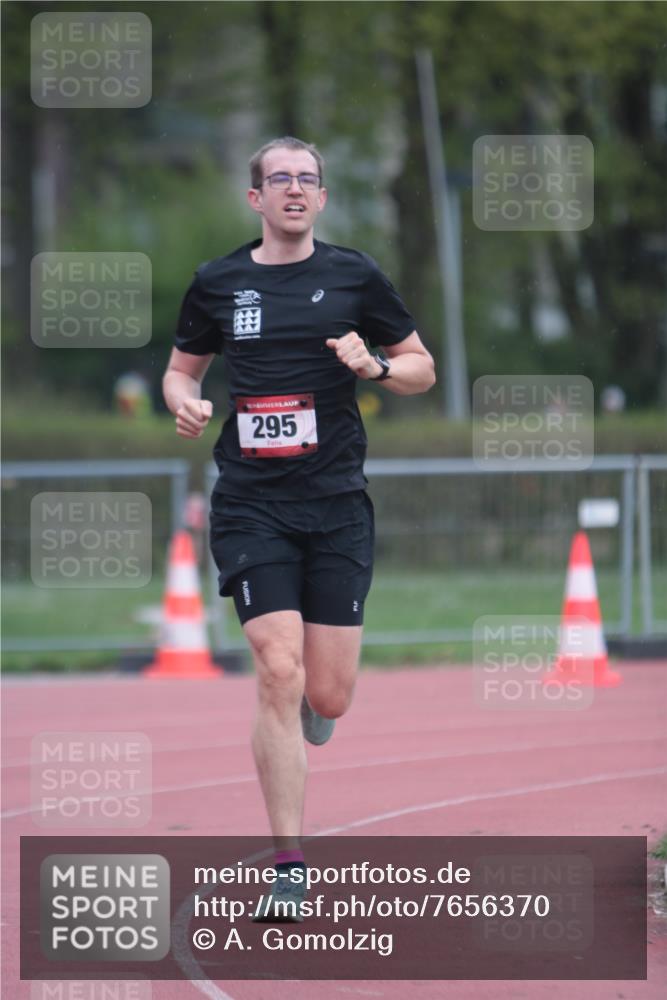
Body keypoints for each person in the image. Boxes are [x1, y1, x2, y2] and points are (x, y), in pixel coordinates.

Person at [163, 137, 435, 920]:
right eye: (278, 179)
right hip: (252, 502)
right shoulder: (218, 281)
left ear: (321, 198)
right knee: (275, 669)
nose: (292, 189)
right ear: (255, 198)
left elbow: (420, 366)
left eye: (306, 179)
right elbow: (183, 367)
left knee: (328, 692)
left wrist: (375, 366)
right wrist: (182, 398)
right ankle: (289, 865)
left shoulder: (354, 275)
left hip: (336, 503)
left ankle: (320, 704)